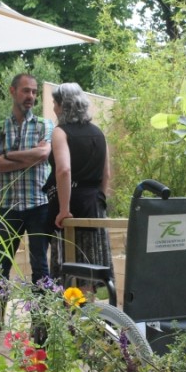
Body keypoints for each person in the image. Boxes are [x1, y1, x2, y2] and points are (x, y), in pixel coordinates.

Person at [0, 73, 54, 335]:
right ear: (12, 91)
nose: (31, 97)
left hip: (38, 204)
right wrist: (28, 158)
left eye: (34, 92)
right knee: (0, 265)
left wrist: (8, 156)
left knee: (40, 267)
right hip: (7, 206)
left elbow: (43, 154)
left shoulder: (44, 125)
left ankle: (41, 322)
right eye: (26, 91)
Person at [43, 82, 114, 292]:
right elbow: (106, 174)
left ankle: (71, 320)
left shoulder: (60, 132)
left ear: (63, 105)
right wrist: (98, 199)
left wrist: (64, 210)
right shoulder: (98, 132)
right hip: (94, 206)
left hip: (71, 205)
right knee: (91, 271)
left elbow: (64, 170)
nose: (54, 108)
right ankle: (89, 317)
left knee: (70, 269)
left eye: (55, 103)